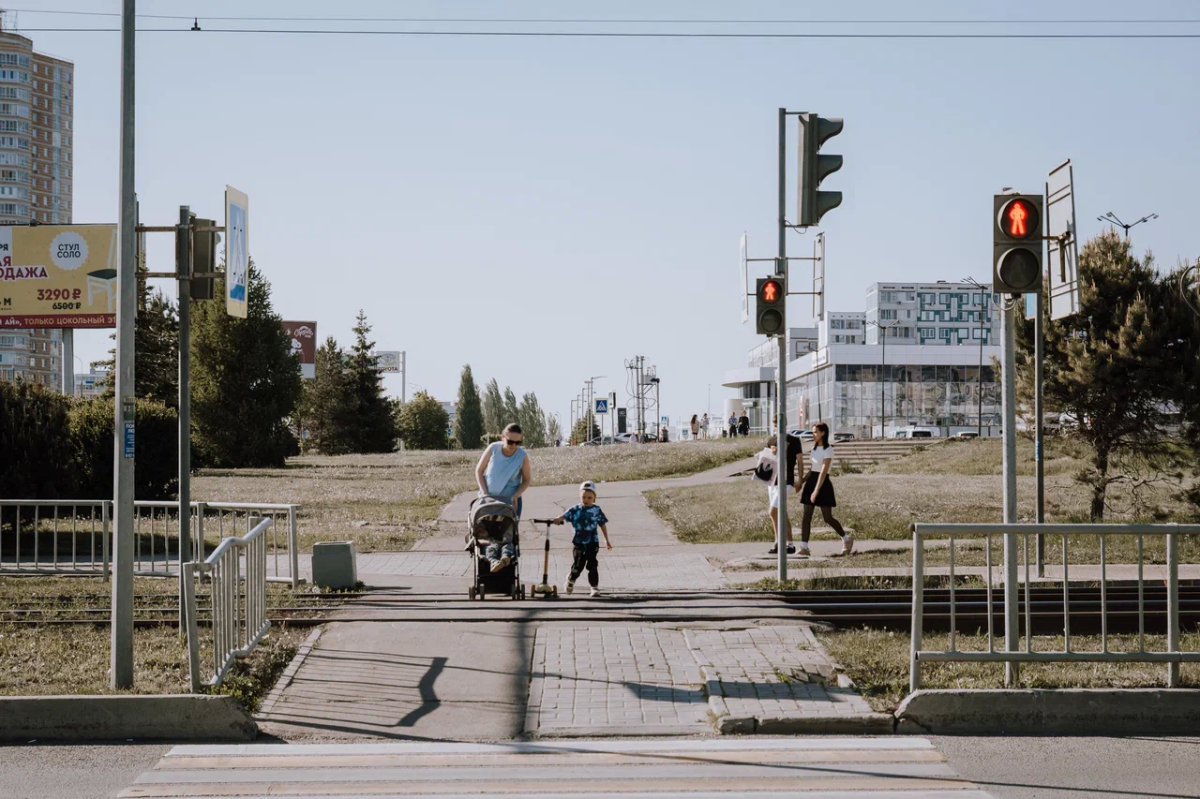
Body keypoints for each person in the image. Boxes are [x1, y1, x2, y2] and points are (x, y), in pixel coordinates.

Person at [474, 423, 531, 571]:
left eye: (518, 443)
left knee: (508, 534)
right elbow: (479, 471)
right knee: (489, 535)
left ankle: (506, 558)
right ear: (503, 437)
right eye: (510, 441)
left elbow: (526, 479)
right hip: (488, 502)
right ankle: (494, 560)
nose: (514, 446)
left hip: (509, 502)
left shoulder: (522, 456)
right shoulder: (493, 448)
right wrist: (485, 493)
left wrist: (515, 495)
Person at [799, 421, 854, 558]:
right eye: (812, 432)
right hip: (811, 482)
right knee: (806, 515)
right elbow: (812, 469)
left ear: (823, 433)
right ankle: (804, 547)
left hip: (823, 484)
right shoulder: (814, 448)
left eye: (815, 432)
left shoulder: (828, 450)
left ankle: (847, 540)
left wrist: (816, 491)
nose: (813, 434)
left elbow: (823, 472)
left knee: (827, 518)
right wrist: (801, 482)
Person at [552, 481, 612, 597]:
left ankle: (594, 587)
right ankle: (571, 579)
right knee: (578, 564)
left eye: (589, 497)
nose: (586, 499)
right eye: (583, 497)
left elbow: (602, 524)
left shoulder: (596, 510)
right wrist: (558, 519)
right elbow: (565, 515)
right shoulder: (576, 509)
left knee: (592, 564)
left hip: (592, 542)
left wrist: (606, 539)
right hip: (579, 542)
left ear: (594, 498)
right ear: (580, 497)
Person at [756, 433, 802, 555]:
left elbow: (800, 460)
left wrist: (800, 480)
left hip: (787, 480)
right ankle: (787, 544)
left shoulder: (794, 440)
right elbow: (767, 459)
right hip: (773, 481)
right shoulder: (772, 439)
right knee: (781, 513)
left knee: (772, 511)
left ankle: (780, 543)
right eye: (774, 424)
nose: (776, 426)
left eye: (777, 423)